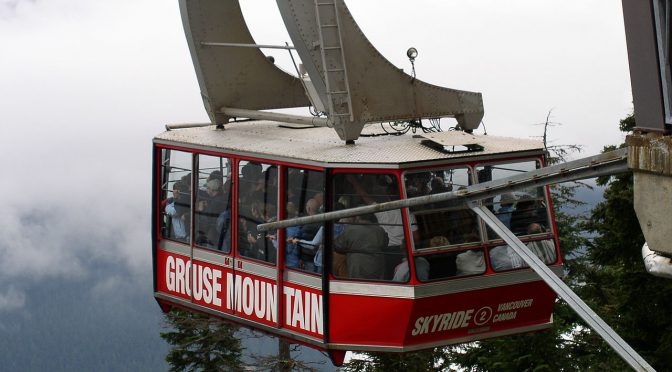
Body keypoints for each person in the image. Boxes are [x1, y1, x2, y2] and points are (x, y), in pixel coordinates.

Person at [333, 213, 388, 280]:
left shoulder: (350, 229)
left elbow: (338, 246)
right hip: (377, 266)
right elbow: (385, 246)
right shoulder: (380, 230)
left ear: (358, 217)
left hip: (357, 267)